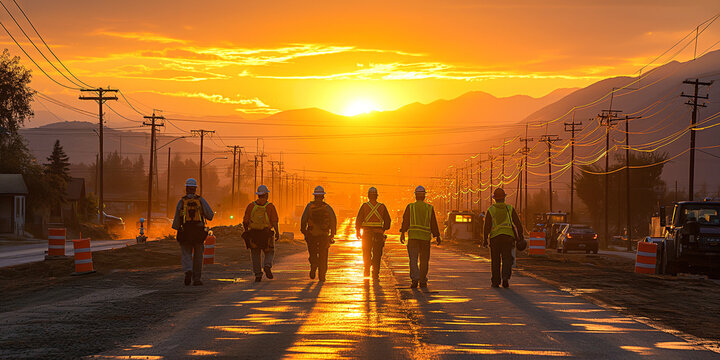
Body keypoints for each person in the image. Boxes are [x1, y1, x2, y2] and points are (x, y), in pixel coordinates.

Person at [171, 178, 214, 286]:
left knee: (186, 254)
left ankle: (188, 270)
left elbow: (176, 219)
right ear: (195, 189)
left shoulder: (181, 202)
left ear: (186, 189)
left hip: (185, 231)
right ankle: (197, 279)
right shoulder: (200, 201)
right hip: (199, 232)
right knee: (198, 256)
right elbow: (210, 215)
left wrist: (177, 228)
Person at [400, 186, 441, 289]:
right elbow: (433, 223)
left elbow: (405, 221)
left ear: (415, 195)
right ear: (424, 196)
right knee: (424, 260)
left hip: (413, 238)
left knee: (413, 259)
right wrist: (437, 236)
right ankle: (422, 281)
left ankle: (415, 279)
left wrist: (402, 233)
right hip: (425, 239)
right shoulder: (429, 208)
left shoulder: (410, 207)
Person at [482, 188, 524, 288]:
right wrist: (520, 236)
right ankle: (505, 277)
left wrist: (484, 239)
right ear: (504, 198)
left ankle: (495, 281)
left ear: (494, 199)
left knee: (495, 260)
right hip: (508, 237)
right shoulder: (510, 209)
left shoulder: (491, 210)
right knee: (507, 258)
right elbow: (518, 224)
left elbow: (486, 226)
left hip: (495, 238)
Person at [242, 185, 280, 282]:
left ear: (258, 195)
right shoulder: (270, 206)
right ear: (266, 195)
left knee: (255, 253)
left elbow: (245, 221)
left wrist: (247, 232)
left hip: (254, 233)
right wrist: (277, 232)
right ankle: (267, 265)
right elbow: (275, 221)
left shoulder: (251, 206)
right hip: (266, 234)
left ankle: (258, 274)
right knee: (270, 251)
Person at [300, 186, 337, 282]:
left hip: (311, 235)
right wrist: (332, 234)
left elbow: (304, 219)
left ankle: (314, 264)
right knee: (323, 256)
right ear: (323, 196)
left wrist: (304, 231)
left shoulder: (309, 207)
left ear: (315, 196)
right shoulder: (328, 208)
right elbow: (333, 220)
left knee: (312, 253)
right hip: (324, 235)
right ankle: (322, 275)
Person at [355, 187, 392, 279]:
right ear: (376, 196)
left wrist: (358, 231)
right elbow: (388, 221)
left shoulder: (364, 206)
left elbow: (358, 220)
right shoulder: (382, 207)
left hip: (367, 233)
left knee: (366, 251)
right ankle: (375, 272)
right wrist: (383, 229)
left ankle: (367, 268)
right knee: (377, 253)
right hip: (378, 234)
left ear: (368, 196)